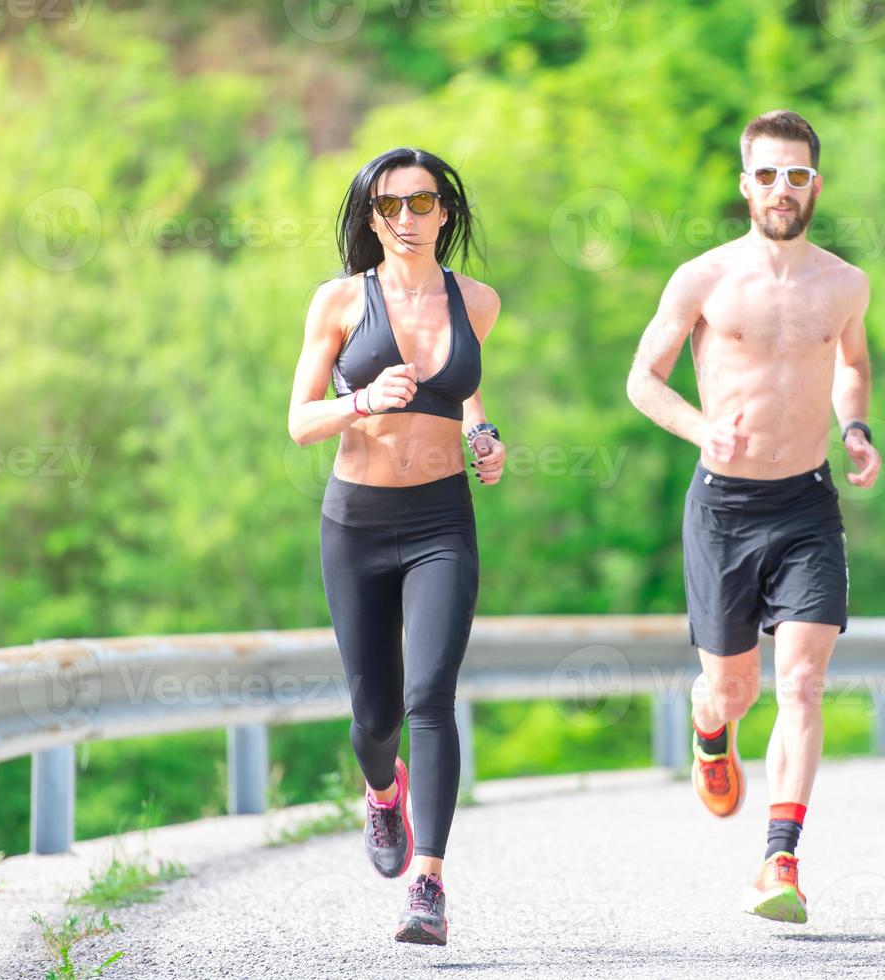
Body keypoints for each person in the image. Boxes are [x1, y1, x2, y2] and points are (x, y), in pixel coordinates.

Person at [626, 110, 881, 924]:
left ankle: (780, 862)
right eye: (767, 174)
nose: (782, 188)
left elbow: (852, 365)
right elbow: (643, 380)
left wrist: (857, 430)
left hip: (805, 502)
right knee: (731, 691)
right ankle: (711, 729)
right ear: (746, 185)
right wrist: (703, 428)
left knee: (802, 683)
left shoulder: (844, 284)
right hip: (724, 510)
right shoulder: (702, 278)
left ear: (815, 184)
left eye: (797, 175)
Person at [287, 146, 504, 946]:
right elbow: (298, 420)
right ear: (370, 218)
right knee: (376, 716)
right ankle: (383, 792)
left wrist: (484, 434)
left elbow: (464, 383)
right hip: (358, 526)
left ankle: (429, 887)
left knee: (429, 697)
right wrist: (359, 399)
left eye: (421, 203)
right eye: (388, 207)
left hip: (442, 522)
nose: (406, 219)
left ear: (446, 210)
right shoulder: (340, 302)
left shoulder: (476, 300)